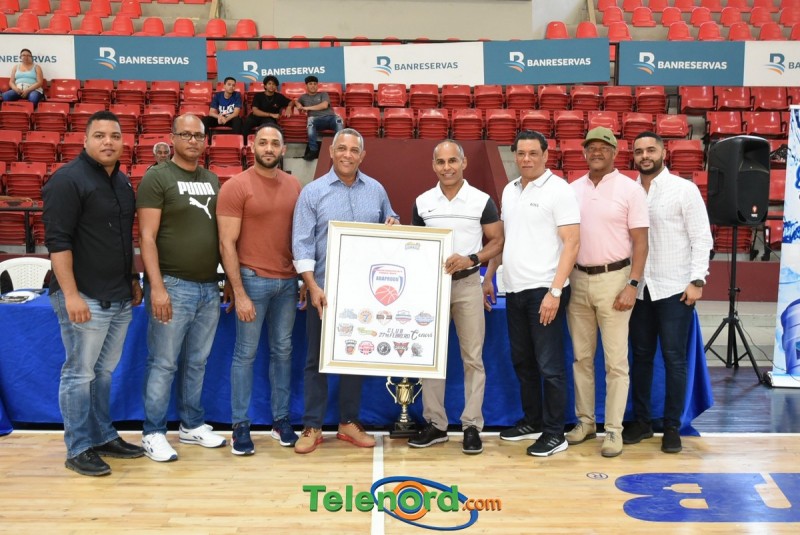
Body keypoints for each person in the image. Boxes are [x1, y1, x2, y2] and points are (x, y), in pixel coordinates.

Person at [42, 110, 145, 476]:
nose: (108, 142)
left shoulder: (122, 183)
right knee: (79, 373)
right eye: (100, 135)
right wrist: (71, 295)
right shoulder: (67, 180)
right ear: (84, 140)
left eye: (114, 136)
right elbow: (58, 242)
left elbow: (122, 238)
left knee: (103, 373)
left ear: (123, 142)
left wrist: (133, 278)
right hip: (83, 295)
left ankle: (102, 436)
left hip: (118, 295)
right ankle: (78, 447)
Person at [291, 128, 398, 454]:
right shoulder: (313, 192)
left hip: (365, 293)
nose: (347, 155)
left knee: (357, 356)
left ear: (362, 155)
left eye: (354, 150)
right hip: (324, 291)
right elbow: (302, 243)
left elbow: (390, 219)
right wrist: (312, 286)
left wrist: (393, 224)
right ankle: (312, 425)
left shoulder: (376, 190)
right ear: (332, 152)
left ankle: (348, 422)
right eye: (342, 148)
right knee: (316, 360)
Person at [483, 130, 580, 457]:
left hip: (544, 290)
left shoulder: (560, 190)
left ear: (545, 155)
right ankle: (533, 421)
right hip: (514, 290)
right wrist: (490, 276)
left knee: (550, 366)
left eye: (533, 153)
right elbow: (505, 239)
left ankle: (555, 433)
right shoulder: (510, 190)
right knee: (523, 361)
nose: (526, 159)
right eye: (521, 154)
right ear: (515, 156)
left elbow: (572, 244)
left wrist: (555, 291)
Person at [137, 114, 226, 462]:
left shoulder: (212, 179)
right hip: (172, 284)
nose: (192, 141)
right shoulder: (157, 177)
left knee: (197, 362)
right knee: (163, 363)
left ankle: (191, 424)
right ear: (172, 138)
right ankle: (153, 432)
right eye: (185, 135)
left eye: (198, 136)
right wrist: (157, 287)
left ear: (206, 141)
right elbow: (146, 237)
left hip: (208, 286)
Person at [408, 140, 504, 455]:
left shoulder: (481, 200)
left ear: (463, 162)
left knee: (473, 358)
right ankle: (435, 424)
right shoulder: (423, 202)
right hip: (432, 288)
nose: (447, 167)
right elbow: (415, 245)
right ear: (433, 165)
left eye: (452, 161)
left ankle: (472, 426)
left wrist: (471, 259)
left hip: (468, 285)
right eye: (441, 162)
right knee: (431, 358)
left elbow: (497, 241)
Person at [624, 132, 713, 454]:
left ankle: (672, 427)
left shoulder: (684, 190)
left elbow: (701, 238)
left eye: (651, 150)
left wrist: (697, 280)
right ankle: (642, 422)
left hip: (675, 288)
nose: (645, 156)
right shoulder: (629, 191)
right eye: (639, 151)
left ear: (663, 152)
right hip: (640, 289)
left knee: (675, 359)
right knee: (641, 358)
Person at [217, 125, 302, 455]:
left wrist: (303, 279)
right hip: (251, 279)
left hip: (288, 282)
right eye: (263, 142)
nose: (268, 148)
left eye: (274, 143)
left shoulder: (294, 185)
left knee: (283, 352)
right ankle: (240, 425)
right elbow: (226, 243)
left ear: (283, 149)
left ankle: (281, 421)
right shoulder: (236, 186)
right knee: (245, 353)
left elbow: (301, 236)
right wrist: (239, 291)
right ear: (252, 146)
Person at [565, 126, 649, 458]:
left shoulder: (631, 190)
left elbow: (641, 242)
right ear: (584, 153)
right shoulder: (572, 189)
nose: (596, 152)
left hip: (615, 280)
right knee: (581, 358)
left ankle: (613, 429)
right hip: (577, 279)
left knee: (616, 362)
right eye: (591, 147)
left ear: (615, 152)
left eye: (604, 147)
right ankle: (586, 422)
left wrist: (633, 284)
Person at [293, 75, 343, 161]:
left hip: (330, 118)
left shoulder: (323, 94)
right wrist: (297, 104)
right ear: (306, 86)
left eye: (315, 84)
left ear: (317, 85)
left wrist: (307, 108)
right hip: (316, 121)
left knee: (338, 120)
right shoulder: (303, 97)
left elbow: (324, 105)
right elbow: (294, 101)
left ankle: (339, 148)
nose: (313, 86)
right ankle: (313, 150)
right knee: (310, 120)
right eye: (310, 84)